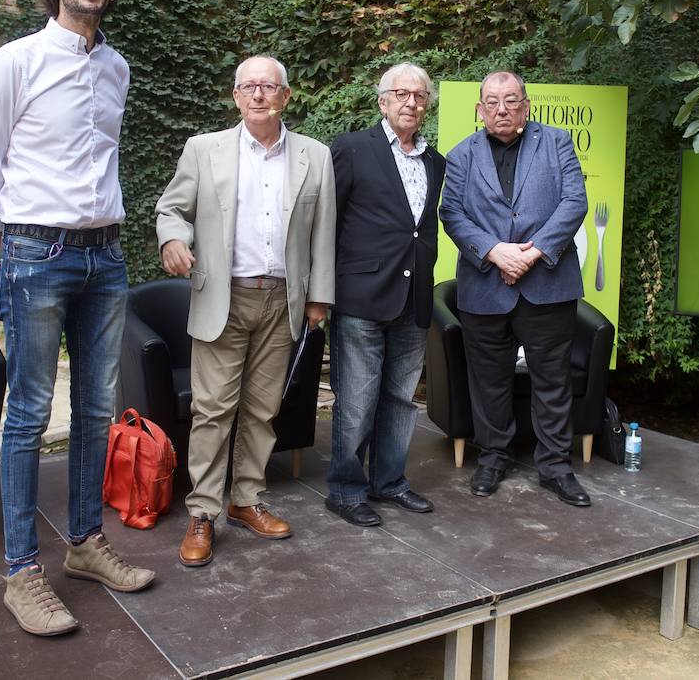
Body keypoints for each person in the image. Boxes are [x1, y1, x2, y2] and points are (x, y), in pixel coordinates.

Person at [0, 0, 154, 637]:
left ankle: (85, 545)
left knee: (98, 410)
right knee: (30, 414)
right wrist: (4, 228)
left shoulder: (119, 69)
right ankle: (21, 572)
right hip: (37, 253)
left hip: (106, 255)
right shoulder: (14, 61)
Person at [155, 55, 335, 567]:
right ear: (235, 96)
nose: (258, 95)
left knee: (263, 409)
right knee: (212, 410)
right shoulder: (204, 150)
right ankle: (202, 512)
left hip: (283, 300)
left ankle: (245, 499)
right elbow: (172, 208)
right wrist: (172, 239)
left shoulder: (314, 156)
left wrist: (318, 298)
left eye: (268, 86)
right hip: (222, 297)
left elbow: (325, 232)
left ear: (285, 96)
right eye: (248, 87)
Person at [439, 71, 591, 506]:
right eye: (492, 102)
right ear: (479, 109)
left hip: (547, 283)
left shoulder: (557, 142)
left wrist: (532, 252)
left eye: (510, 101)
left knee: (552, 379)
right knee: (488, 380)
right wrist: (492, 252)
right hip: (485, 285)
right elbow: (451, 213)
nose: (501, 109)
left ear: (526, 105)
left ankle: (556, 467)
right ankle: (493, 457)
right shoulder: (461, 155)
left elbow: (574, 202)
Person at [324, 63, 447, 527]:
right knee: (356, 399)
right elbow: (327, 223)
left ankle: (389, 481)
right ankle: (346, 490)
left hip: (414, 297)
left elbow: (422, 228)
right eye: (401, 94)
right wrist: (323, 290)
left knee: (399, 398)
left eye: (419, 96)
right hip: (361, 296)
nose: (411, 102)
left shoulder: (436, 162)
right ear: (383, 101)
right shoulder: (354, 148)